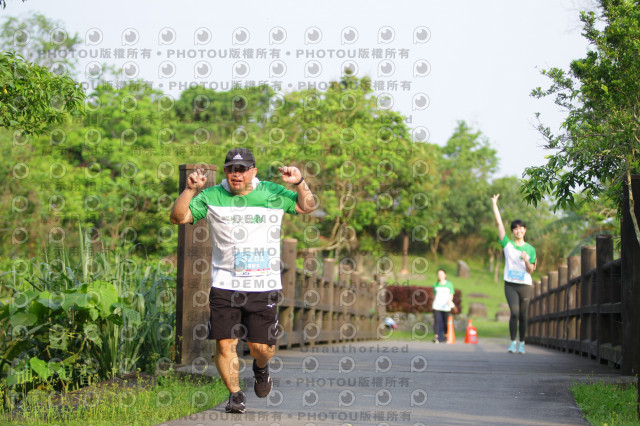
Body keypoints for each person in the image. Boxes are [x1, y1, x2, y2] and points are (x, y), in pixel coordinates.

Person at [170, 148, 316, 413]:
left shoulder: (271, 192)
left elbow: (307, 206)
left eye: (242, 169)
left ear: (253, 172)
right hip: (225, 283)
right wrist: (190, 190)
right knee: (225, 343)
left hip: (264, 285)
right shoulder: (212, 196)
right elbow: (179, 217)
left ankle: (261, 368)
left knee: (262, 348)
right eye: (230, 169)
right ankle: (235, 394)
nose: (235, 174)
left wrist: (300, 182)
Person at [491, 194, 537, 354]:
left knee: (523, 315)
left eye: (521, 228)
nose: (518, 230)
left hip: (525, 284)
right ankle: (512, 342)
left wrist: (526, 260)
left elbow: (531, 270)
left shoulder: (530, 249)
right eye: (515, 228)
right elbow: (498, 224)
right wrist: (494, 204)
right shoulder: (507, 245)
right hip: (510, 284)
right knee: (515, 313)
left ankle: (522, 343)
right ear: (513, 231)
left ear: (525, 230)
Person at [431, 268, 455, 343]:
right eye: (438, 274)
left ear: (445, 275)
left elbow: (451, 294)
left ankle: (446, 335)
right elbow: (434, 295)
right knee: (437, 321)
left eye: (441, 274)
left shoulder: (449, 284)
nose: (440, 275)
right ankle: (436, 337)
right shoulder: (435, 285)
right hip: (437, 306)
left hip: (445, 306)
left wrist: (449, 301)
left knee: (445, 322)